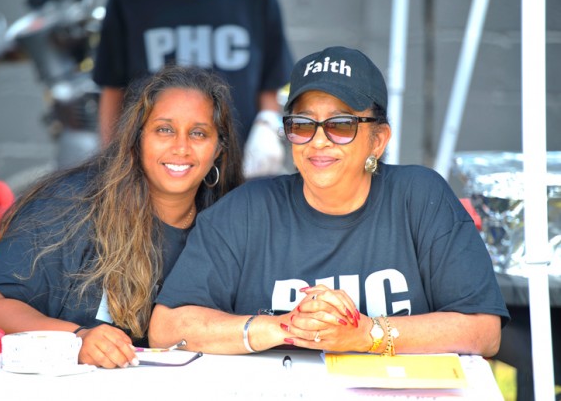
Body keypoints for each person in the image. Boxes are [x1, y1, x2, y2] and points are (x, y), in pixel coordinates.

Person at [148, 46, 510, 357]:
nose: (318, 141)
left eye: (340, 125)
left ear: (378, 140)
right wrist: (282, 327)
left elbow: (483, 330)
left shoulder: (420, 197)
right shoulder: (246, 209)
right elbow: (166, 328)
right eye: (303, 125)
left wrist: (367, 334)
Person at [0, 65, 244, 368]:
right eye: (164, 129)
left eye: (198, 133)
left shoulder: (229, 227)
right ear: (137, 138)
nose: (181, 147)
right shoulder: (72, 203)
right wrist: (77, 339)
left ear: (219, 148)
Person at [92, 0, 293, 178]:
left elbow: (270, 79)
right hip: (152, 170)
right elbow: (113, 86)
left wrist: (266, 125)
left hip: (241, 164)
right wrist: (111, 160)